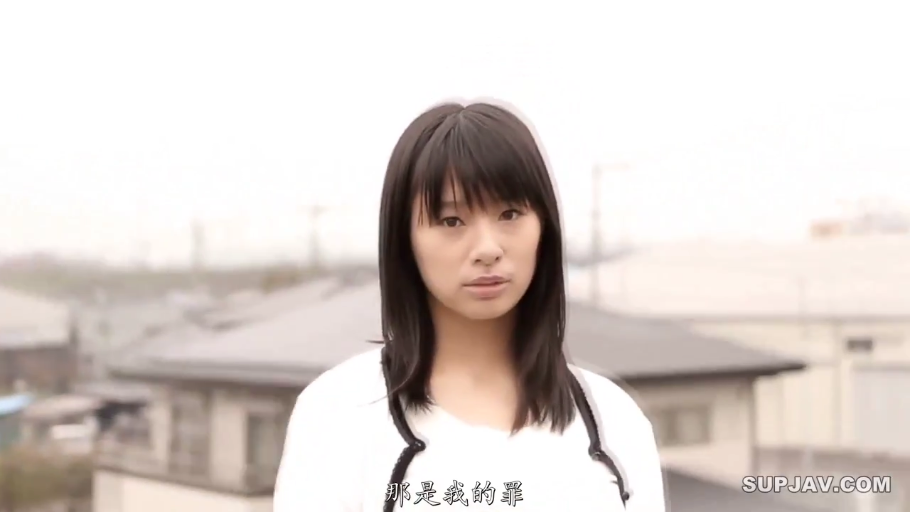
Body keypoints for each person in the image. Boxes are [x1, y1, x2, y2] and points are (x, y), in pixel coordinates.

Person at [273, 100, 665, 511]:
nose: (488, 248)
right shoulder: (339, 411)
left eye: (510, 213)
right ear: (405, 240)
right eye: (451, 221)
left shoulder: (613, 421)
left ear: (544, 227)